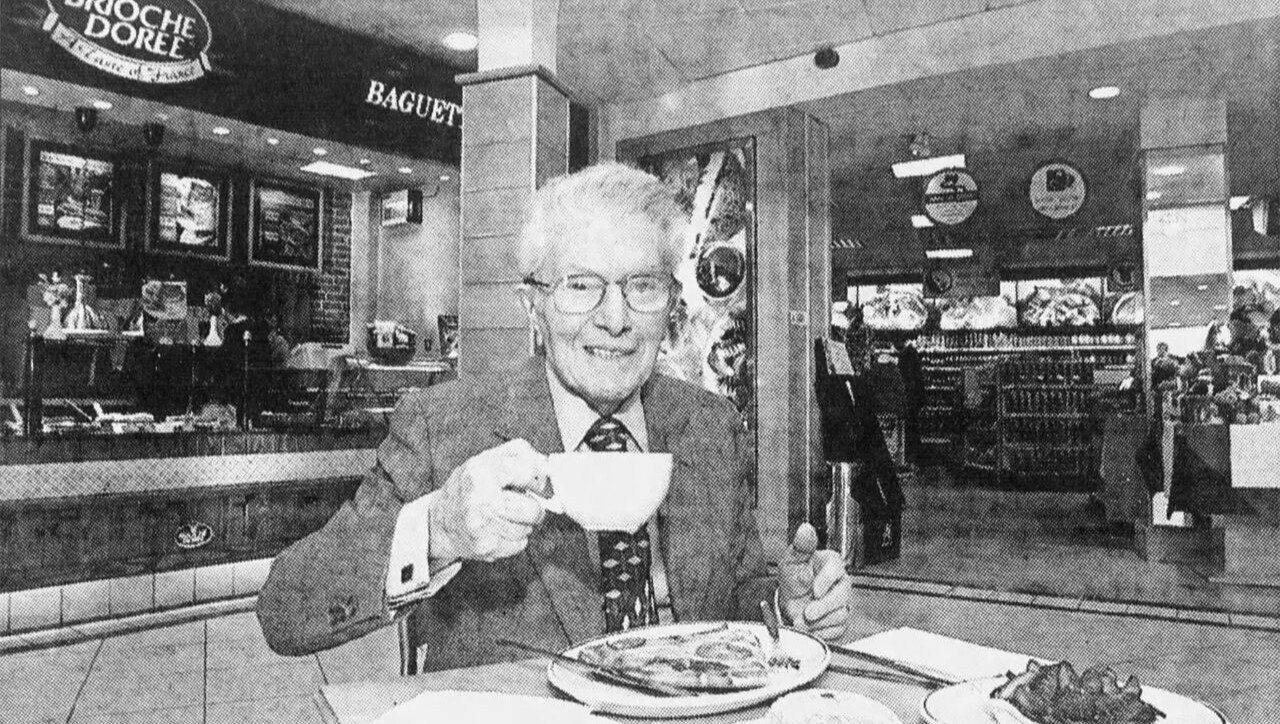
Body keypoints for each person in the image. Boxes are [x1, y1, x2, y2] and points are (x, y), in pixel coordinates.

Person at [256, 163, 852, 669]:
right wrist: (437, 531)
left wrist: (784, 606)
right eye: (581, 286)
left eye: (641, 286)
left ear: (670, 305)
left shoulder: (710, 425)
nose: (615, 318)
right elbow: (285, 611)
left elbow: (735, 597)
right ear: (533, 308)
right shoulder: (447, 424)